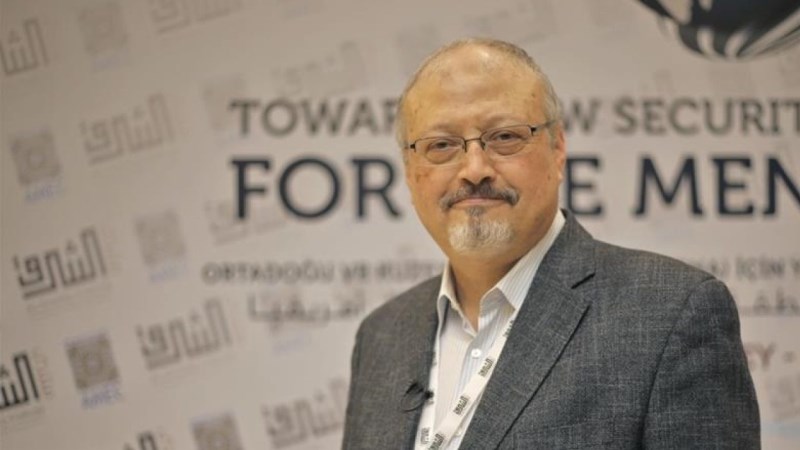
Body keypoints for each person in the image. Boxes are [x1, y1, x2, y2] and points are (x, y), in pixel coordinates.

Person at [342, 37, 759, 450]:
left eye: (504, 137)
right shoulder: (382, 336)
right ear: (409, 170)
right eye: (441, 145)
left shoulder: (669, 313)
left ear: (557, 148)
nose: (474, 169)